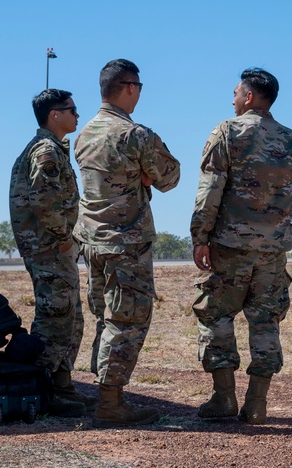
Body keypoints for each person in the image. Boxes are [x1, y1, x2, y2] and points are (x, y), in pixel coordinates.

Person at [190, 68, 292, 425]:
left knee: (216, 315)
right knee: (266, 321)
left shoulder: (227, 132)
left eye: (235, 92)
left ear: (249, 97)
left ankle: (224, 399)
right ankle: (257, 405)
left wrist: (200, 236)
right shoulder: (291, 140)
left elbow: (210, 190)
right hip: (272, 252)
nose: (232, 98)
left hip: (229, 247)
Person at [74, 59, 180, 428]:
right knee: (128, 320)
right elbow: (170, 178)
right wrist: (146, 175)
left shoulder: (84, 134)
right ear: (129, 87)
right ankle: (110, 402)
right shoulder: (134, 135)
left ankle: (103, 393)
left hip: (93, 243)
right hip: (126, 243)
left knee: (106, 317)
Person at [8, 88, 94, 417]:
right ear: (54, 115)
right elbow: (43, 199)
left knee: (68, 317)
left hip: (51, 248)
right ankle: (42, 389)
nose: (77, 115)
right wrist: (63, 237)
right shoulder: (46, 151)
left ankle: (63, 385)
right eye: (71, 110)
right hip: (48, 249)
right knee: (55, 317)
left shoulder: (53, 149)